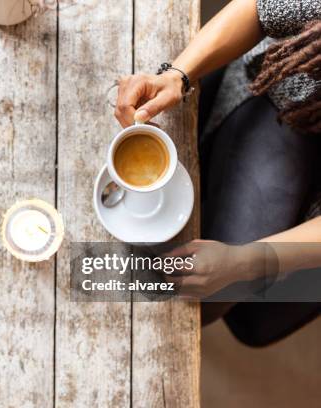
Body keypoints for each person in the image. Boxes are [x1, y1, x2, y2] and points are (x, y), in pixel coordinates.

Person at [114, 0, 320, 343]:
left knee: (206, 299)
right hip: (287, 89)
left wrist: (246, 261)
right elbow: (260, 9)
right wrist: (175, 75)